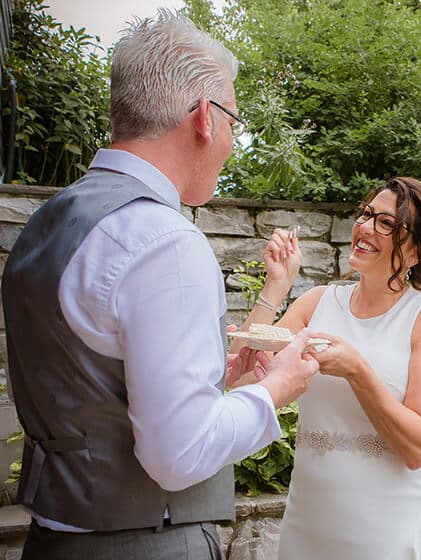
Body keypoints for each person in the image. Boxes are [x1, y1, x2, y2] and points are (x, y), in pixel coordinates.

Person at [0, 10, 317, 560]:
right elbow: (179, 454)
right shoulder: (164, 240)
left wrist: (224, 389)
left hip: (52, 539)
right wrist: (276, 389)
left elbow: (93, 387)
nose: (231, 143)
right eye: (234, 123)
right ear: (203, 116)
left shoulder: (47, 222)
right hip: (148, 544)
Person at [240, 176, 421, 559]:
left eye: (387, 223)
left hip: (388, 534)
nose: (364, 227)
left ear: (417, 252)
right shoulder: (317, 302)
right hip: (309, 527)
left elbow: (417, 447)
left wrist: (358, 371)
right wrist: (275, 287)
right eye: (366, 214)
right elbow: (243, 376)